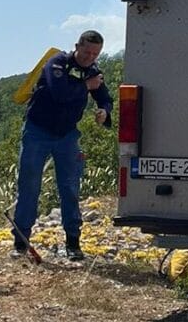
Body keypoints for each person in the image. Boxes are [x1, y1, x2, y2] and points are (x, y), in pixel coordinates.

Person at [11, 30, 113, 262]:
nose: (90, 57)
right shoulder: (56, 63)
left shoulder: (94, 72)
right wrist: (87, 85)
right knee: (29, 186)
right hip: (37, 131)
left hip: (67, 135)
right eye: (86, 51)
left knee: (70, 188)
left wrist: (104, 111)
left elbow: (105, 97)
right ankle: (20, 242)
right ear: (76, 46)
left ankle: (73, 244)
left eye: (95, 53)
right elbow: (60, 93)